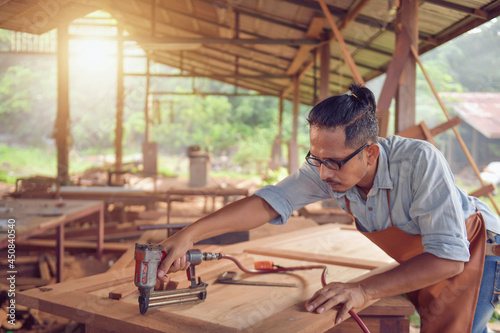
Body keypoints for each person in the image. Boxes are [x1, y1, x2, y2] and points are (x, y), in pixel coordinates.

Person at [158, 83, 500, 333]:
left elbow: (448, 258)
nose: (324, 173)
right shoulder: (328, 166)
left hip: (477, 251)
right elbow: (271, 201)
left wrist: (363, 290)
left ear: (370, 153)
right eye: (316, 159)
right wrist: (190, 234)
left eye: (334, 162)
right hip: (432, 255)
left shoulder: (419, 161)